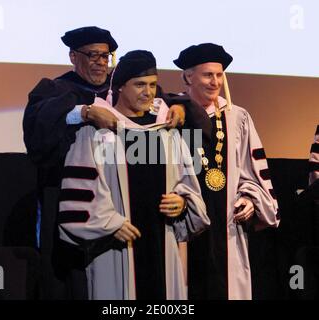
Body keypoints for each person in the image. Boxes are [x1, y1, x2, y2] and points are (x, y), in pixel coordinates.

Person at [57, 50, 210, 299]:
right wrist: (109, 223)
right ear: (119, 87)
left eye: (152, 85)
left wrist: (183, 202)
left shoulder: (167, 133)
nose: (148, 92)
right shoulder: (98, 132)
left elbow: (188, 184)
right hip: (115, 245)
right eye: (139, 84)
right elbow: (82, 188)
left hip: (163, 242)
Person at [23, 26, 211, 190]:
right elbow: (40, 123)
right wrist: (85, 113)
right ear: (73, 56)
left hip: (125, 184)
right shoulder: (57, 90)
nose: (101, 62)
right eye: (93, 55)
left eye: (105, 56)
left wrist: (179, 108)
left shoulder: (122, 87)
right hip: (70, 186)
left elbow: (160, 100)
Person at [173, 43, 280, 300]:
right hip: (184, 219)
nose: (215, 82)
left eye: (219, 75)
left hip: (227, 224)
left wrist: (250, 199)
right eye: (208, 75)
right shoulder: (172, 113)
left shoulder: (237, 117)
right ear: (189, 76)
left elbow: (250, 170)